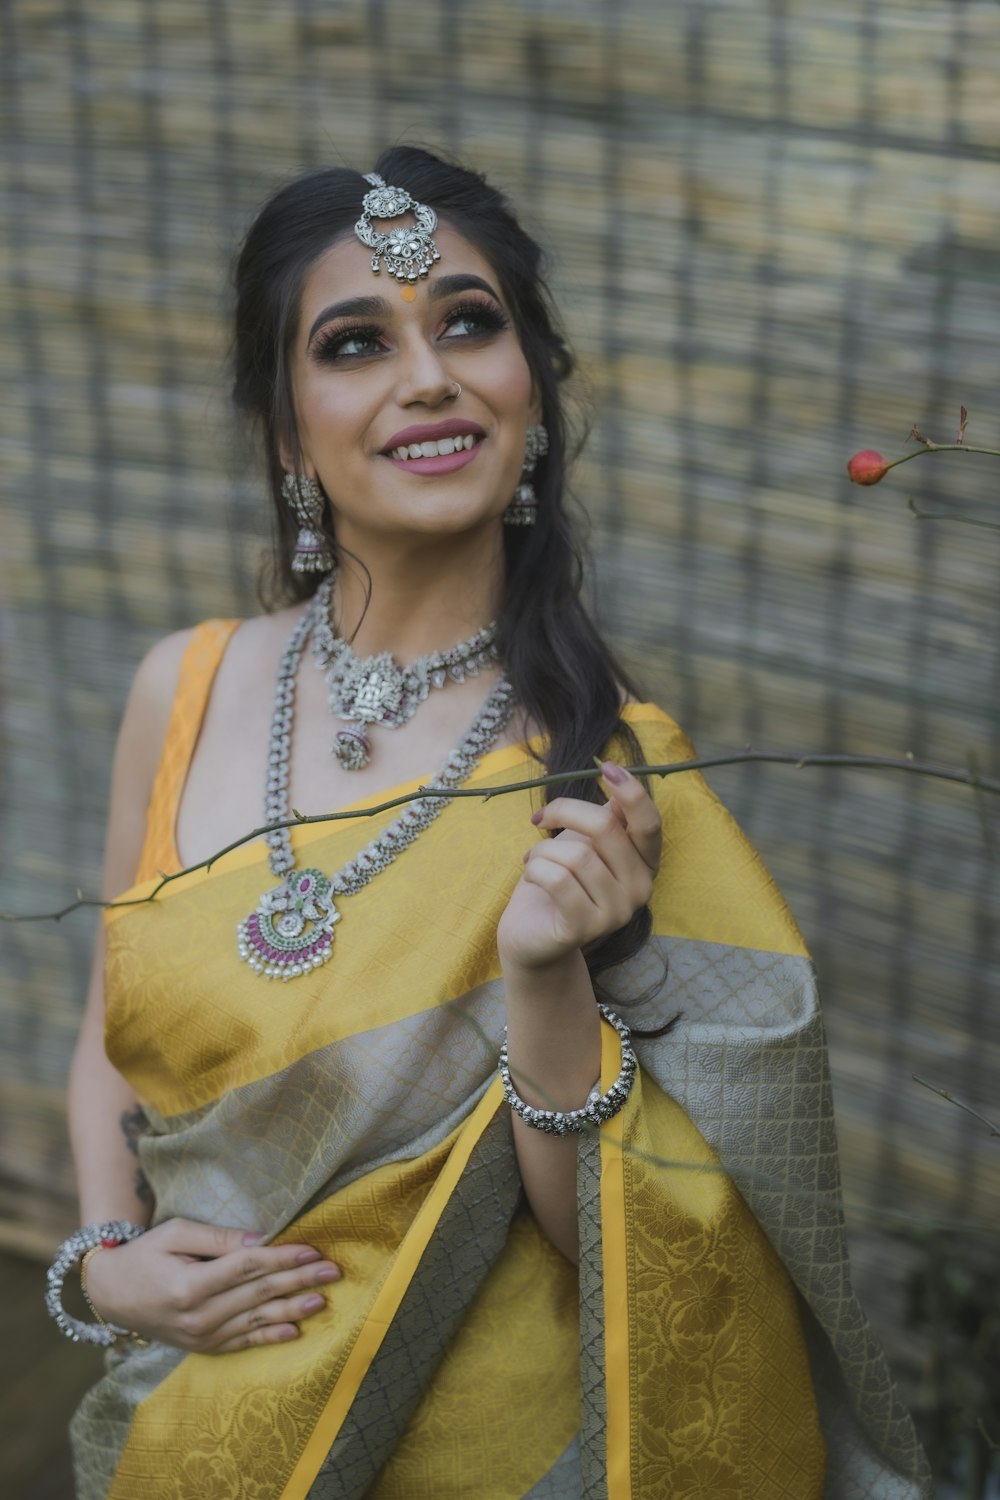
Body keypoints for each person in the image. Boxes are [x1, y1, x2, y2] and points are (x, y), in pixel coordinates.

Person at [56, 147, 930, 1499]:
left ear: (530, 388)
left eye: (470, 323)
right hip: (191, 1437)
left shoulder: (610, 772)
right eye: (357, 342)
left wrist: (543, 975)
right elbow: (109, 1032)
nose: (429, 375)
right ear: (287, 429)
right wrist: (106, 1260)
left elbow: (638, 1249)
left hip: (489, 1455)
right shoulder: (185, 686)